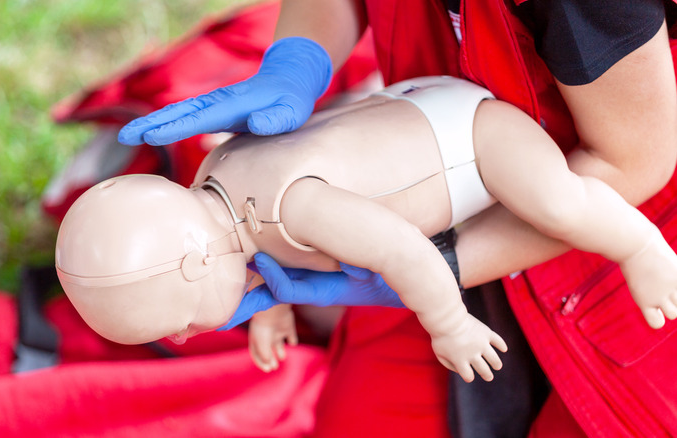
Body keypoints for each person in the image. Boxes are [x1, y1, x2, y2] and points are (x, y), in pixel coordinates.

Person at [117, 1, 677, 436]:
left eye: (184, 323)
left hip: (525, 166)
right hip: (433, 160)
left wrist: (446, 302)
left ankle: (639, 247)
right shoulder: (223, 174)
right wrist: (297, 60)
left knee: (563, 203)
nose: (184, 334)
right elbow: (260, 244)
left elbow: (634, 158)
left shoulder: (295, 207)